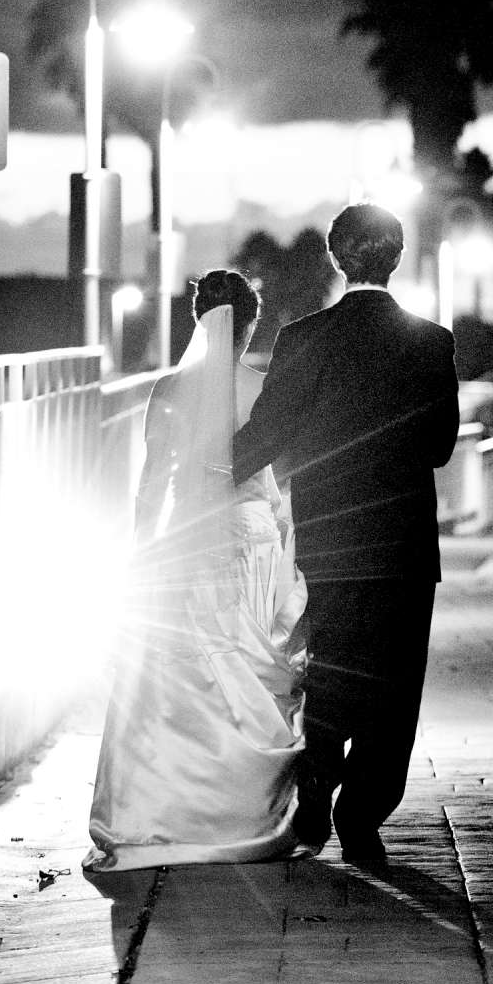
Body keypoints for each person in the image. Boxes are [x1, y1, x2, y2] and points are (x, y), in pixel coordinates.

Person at [231, 202, 459, 875]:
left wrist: (197, 471)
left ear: (337, 258)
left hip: (327, 539)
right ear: (396, 257)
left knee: (328, 672)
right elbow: (442, 447)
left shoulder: (304, 339)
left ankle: (312, 796)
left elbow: (265, 437)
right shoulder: (432, 341)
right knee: (393, 689)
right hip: (403, 545)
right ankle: (362, 819)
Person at [83, 269, 308, 872]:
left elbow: (152, 484)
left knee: (177, 679)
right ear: (249, 325)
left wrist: (140, 554)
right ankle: (249, 811)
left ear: (197, 322)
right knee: (251, 668)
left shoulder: (168, 391)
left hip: (185, 541)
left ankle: (166, 811)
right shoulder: (263, 387)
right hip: (253, 545)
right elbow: (283, 481)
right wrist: (287, 537)